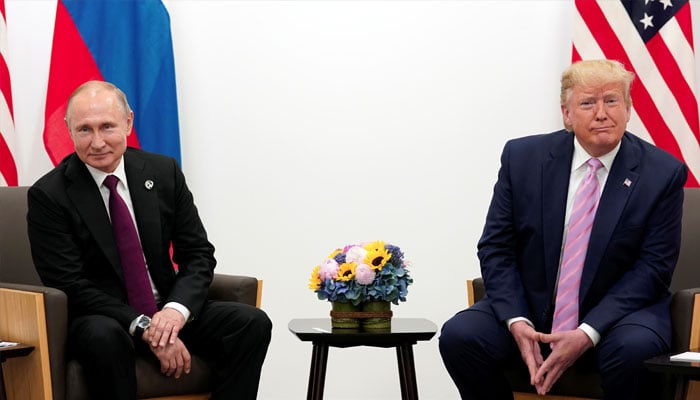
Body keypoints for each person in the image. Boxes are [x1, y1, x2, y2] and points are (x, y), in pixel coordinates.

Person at [439, 59, 687, 400]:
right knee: (460, 336)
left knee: (634, 349)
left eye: (612, 101)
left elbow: (653, 269)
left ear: (628, 109)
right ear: (567, 114)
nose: (602, 113)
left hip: (619, 317)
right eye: (588, 103)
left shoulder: (663, 174)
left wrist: (587, 331)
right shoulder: (522, 158)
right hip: (533, 307)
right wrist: (517, 321)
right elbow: (496, 247)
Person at [27, 80, 272, 400]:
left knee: (250, 323)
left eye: (107, 126)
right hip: (104, 319)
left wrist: (174, 312)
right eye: (85, 129)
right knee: (103, 335)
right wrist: (147, 328)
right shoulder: (50, 195)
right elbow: (71, 284)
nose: (97, 141)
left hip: (166, 308)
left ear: (128, 122)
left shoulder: (163, 171)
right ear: (69, 130)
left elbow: (198, 253)